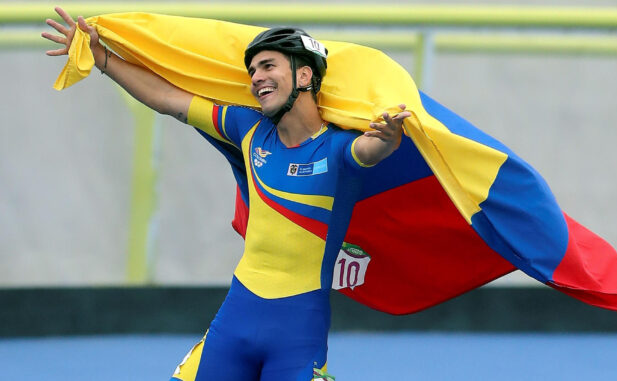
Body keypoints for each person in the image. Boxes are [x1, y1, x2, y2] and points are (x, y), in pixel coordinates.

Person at [43, 6, 411, 381]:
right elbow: (167, 98)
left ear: (304, 74)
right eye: (252, 71)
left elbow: (369, 151)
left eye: (268, 66)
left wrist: (387, 140)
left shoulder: (338, 147)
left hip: (298, 336)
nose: (256, 78)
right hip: (234, 324)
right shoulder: (246, 126)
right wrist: (100, 55)